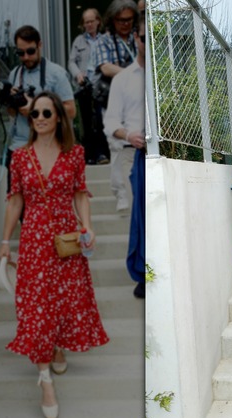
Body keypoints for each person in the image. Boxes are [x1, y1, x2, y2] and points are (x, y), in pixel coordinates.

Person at [0, 91, 109, 418]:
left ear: (59, 117)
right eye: (35, 114)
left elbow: (80, 194)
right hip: (33, 239)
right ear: (29, 120)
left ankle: (56, 345)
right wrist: (5, 240)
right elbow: (15, 201)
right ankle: (45, 378)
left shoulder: (74, 154)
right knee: (36, 305)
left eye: (47, 112)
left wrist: (87, 226)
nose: (41, 118)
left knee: (62, 300)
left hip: (65, 239)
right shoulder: (19, 157)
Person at [104, 5, 145, 299]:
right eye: (141, 37)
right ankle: (142, 273)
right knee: (138, 217)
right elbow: (110, 123)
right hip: (132, 155)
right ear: (136, 39)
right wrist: (129, 134)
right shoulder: (122, 79)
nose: (144, 42)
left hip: (161, 155)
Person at [5, 25, 76, 192]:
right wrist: (13, 103)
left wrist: (36, 108)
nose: (26, 57)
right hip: (19, 145)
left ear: (40, 45)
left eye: (30, 51)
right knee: (17, 201)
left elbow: (71, 110)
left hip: (49, 146)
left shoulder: (56, 73)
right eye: (20, 53)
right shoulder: (15, 74)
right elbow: (11, 114)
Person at [95, 0, 139, 212]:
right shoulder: (103, 41)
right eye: (121, 20)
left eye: (129, 20)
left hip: (135, 104)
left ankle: (132, 191)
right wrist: (132, 75)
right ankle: (120, 194)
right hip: (113, 101)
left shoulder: (136, 37)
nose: (125, 24)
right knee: (116, 147)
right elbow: (105, 67)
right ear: (112, 20)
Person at [68, 8, 107, 165]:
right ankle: (89, 155)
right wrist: (77, 74)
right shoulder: (78, 41)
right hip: (84, 87)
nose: (89, 24)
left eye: (92, 21)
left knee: (101, 120)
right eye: (86, 22)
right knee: (86, 122)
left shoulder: (105, 39)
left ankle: (102, 154)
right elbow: (71, 62)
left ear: (98, 21)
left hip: (101, 86)